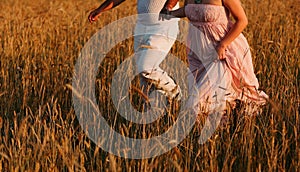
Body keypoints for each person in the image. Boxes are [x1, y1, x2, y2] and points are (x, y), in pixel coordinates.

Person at [160, 0, 269, 115]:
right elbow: (189, 10)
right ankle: (225, 126)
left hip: (222, 52)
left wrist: (223, 45)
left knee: (200, 103)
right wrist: (170, 14)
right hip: (199, 54)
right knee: (214, 101)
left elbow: (242, 21)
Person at [88, 0, 182, 102]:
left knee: (146, 68)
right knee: (143, 78)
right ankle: (154, 111)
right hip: (142, 27)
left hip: (163, 26)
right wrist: (100, 9)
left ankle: (175, 93)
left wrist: (169, 6)